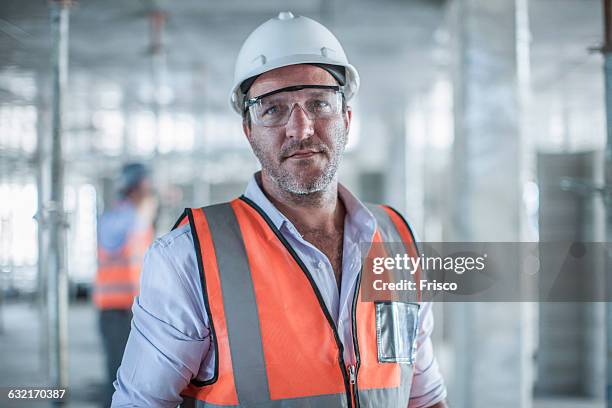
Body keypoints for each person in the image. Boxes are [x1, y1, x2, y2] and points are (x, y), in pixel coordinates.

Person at [113, 12, 448, 408]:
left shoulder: (398, 241)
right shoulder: (188, 257)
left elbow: (423, 397)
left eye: (319, 104)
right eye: (272, 109)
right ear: (248, 131)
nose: (301, 128)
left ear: (346, 118)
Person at [94, 162, 156, 407]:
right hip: (115, 308)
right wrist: (140, 215)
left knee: (136, 372)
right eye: (147, 183)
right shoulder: (119, 218)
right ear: (136, 186)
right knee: (119, 371)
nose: (151, 189)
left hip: (136, 307)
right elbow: (112, 243)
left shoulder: (138, 217)